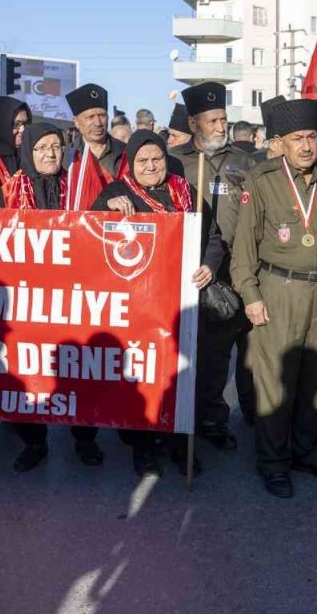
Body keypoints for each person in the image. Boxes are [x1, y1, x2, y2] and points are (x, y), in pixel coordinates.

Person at [231, 99, 317, 498]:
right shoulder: (261, 181)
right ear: (280, 142)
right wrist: (250, 294)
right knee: (275, 382)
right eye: (297, 139)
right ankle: (273, 461)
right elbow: (243, 247)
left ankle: (307, 451)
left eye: (312, 137)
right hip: (278, 290)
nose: (306, 146)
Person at [91, 131, 223, 475]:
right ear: (131, 164)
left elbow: (213, 237)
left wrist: (209, 265)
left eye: (157, 159)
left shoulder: (185, 191)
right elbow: (89, 236)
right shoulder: (117, 193)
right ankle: (143, 448)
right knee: (143, 376)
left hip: (182, 304)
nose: (151, 166)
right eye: (143, 161)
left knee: (183, 376)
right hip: (139, 307)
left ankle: (181, 444)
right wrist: (107, 209)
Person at [168, 82, 253, 451]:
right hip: (187, 270)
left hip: (232, 269)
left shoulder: (243, 161)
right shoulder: (175, 161)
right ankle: (182, 417)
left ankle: (214, 419)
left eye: (224, 119)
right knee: (189, 351)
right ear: (194, 123)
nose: (221, 127)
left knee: (219, 355)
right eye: (213, 120)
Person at [0, 122, 84, 471]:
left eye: (56, 146)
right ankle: (34, 442)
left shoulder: (79, 187)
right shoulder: (6, 191)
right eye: (41, 148)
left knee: (80, 370)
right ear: (27, 152)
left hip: (75, 297)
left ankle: (85, 438)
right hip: (24, 301)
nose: (50, 154)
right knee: (28, 371)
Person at [66, 85, 127, 178]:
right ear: (76, 122)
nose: (98, 123)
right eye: (90, 117)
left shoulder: (124, 152)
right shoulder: (68, 155)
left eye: (102, 115)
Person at [0, 95, 31, 190]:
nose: (23, 129)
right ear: (0, 124)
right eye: (16, 124)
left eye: (25, 124)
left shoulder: (29, 156)